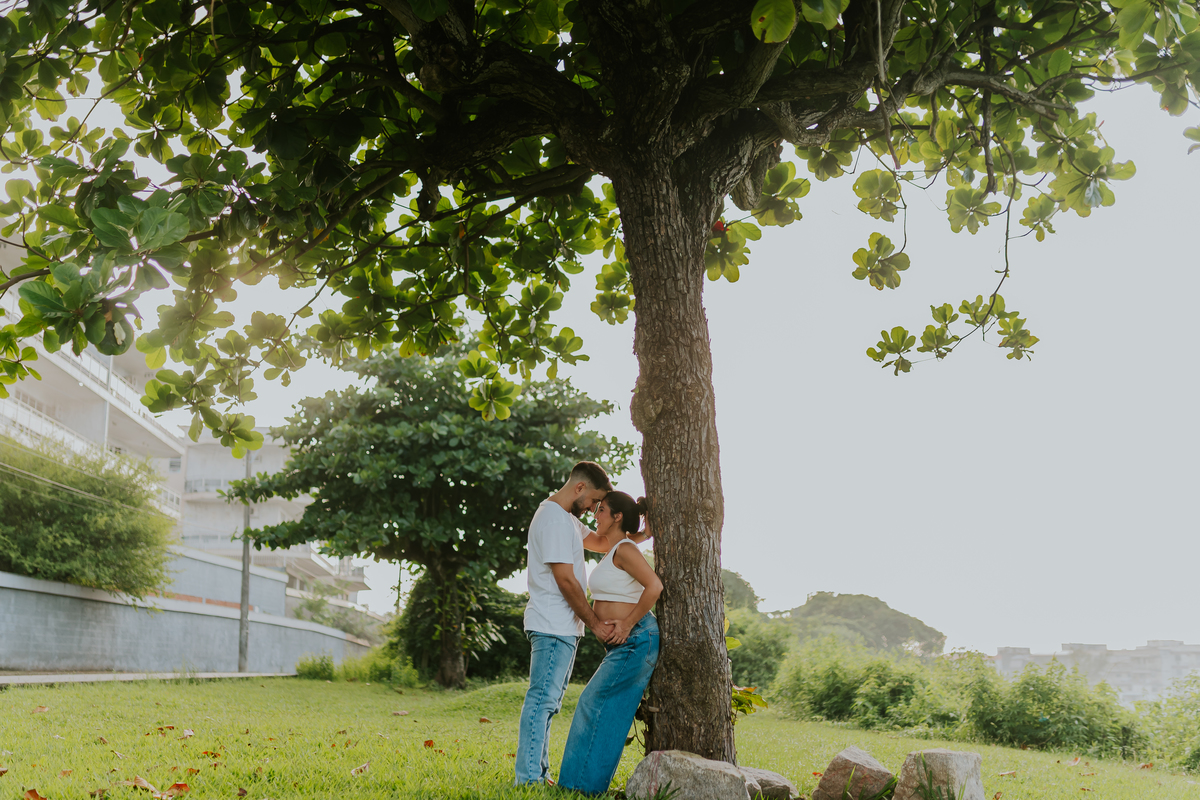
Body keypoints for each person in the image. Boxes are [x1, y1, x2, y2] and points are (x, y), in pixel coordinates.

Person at [515, 461, 638, 786]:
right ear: (579, 488)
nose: (593, 509)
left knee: (548, 704)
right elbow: (566, 580)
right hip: (553, 625)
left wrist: (641, 532)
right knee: (541, 702)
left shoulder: (566, 519)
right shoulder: (554, 519)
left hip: (561, 627)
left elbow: (601, 542)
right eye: (593, 501)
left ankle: (537, 773)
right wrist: (597, 624)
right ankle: (528, 779)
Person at [557, 491, 662, 795]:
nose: (595, 514)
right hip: (625, 643)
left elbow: (654, 585)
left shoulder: (625, 548)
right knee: (606, 712)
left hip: (637, 638)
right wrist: (645, 532)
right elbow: (598, 540)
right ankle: (580, 787)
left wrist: (627, 623)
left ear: (617, 517)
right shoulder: (613, 547)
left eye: (601, 510)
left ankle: (580, 788)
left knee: (592, 703)